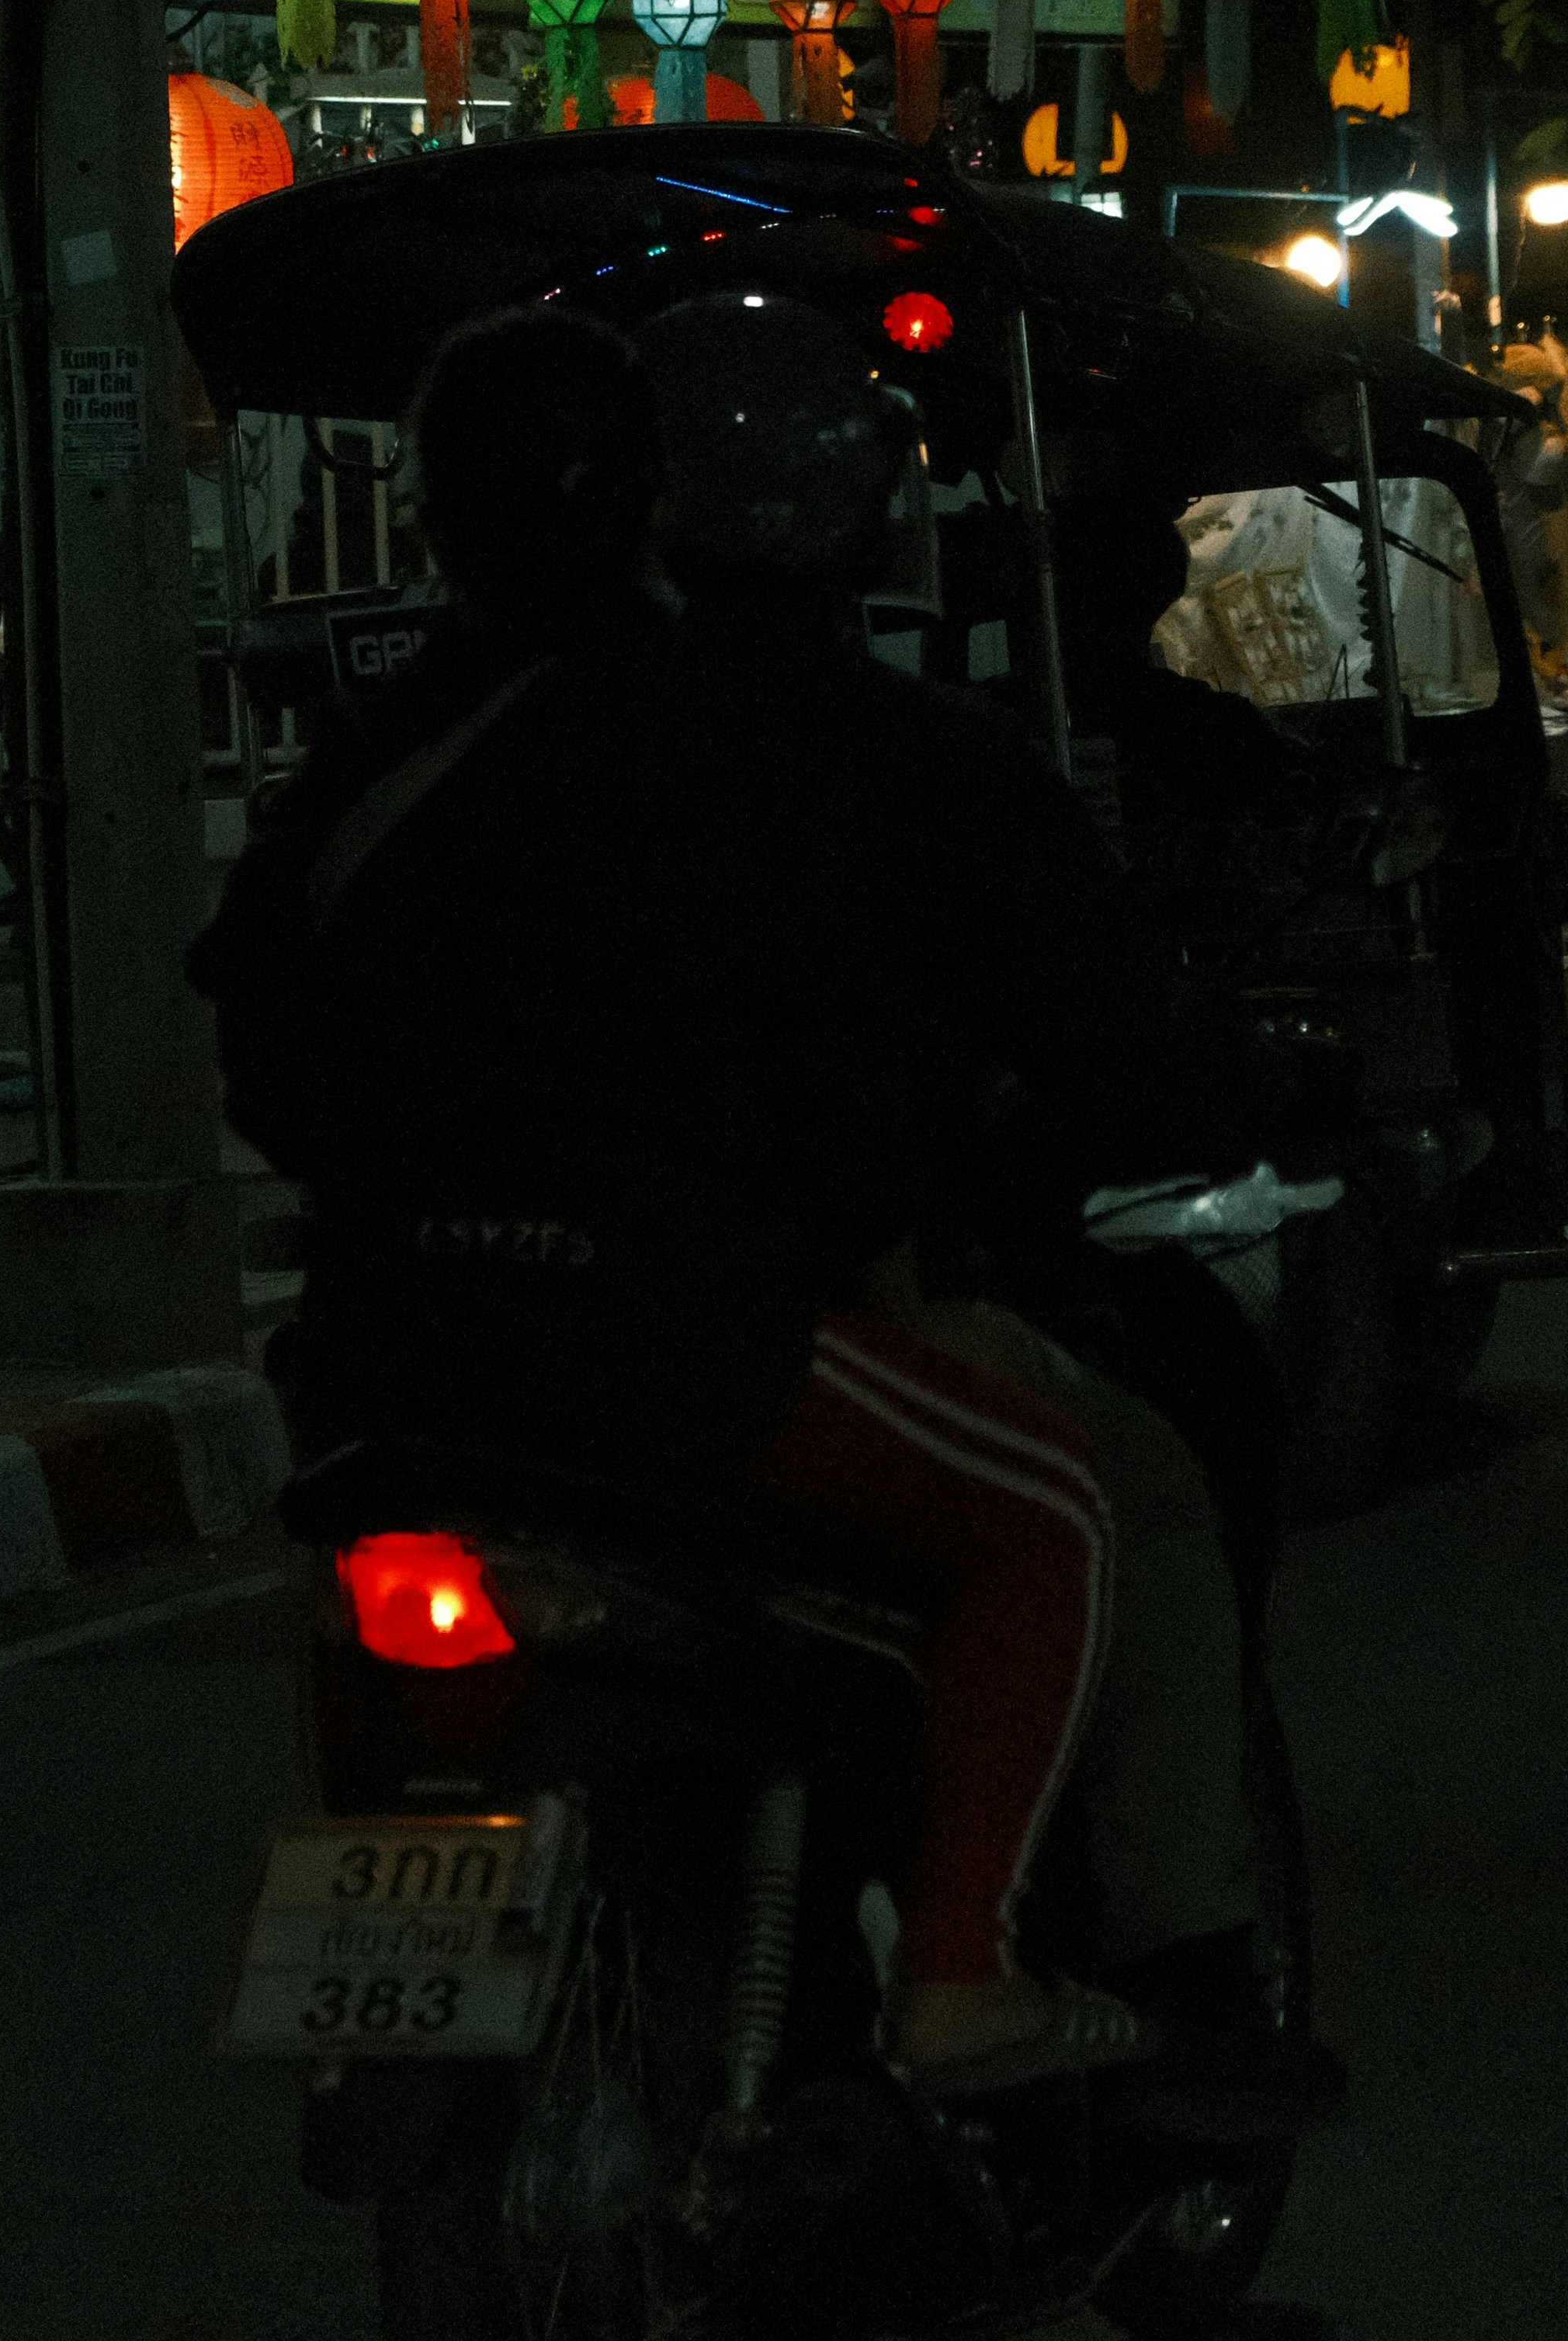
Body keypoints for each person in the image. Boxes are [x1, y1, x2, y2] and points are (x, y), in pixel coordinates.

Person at [188, 299, 1147, 2102]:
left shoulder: (382, 748)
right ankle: (964, 1980)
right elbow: (839, 1043)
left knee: (364, 1591)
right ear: (652, 505)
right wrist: (869, 1227)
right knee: (1060, 1519)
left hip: (391, 1353)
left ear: (429, 519)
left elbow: (262, 1032)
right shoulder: (745, 730)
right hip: (674, 1340)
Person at [638, 287, 1345, 2134]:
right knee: (1110, 1503)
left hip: (420, 1339)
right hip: (739, 1319)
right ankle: (1121, 1961)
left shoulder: (492, 745)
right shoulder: (903, 766)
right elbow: (1116, 1035)